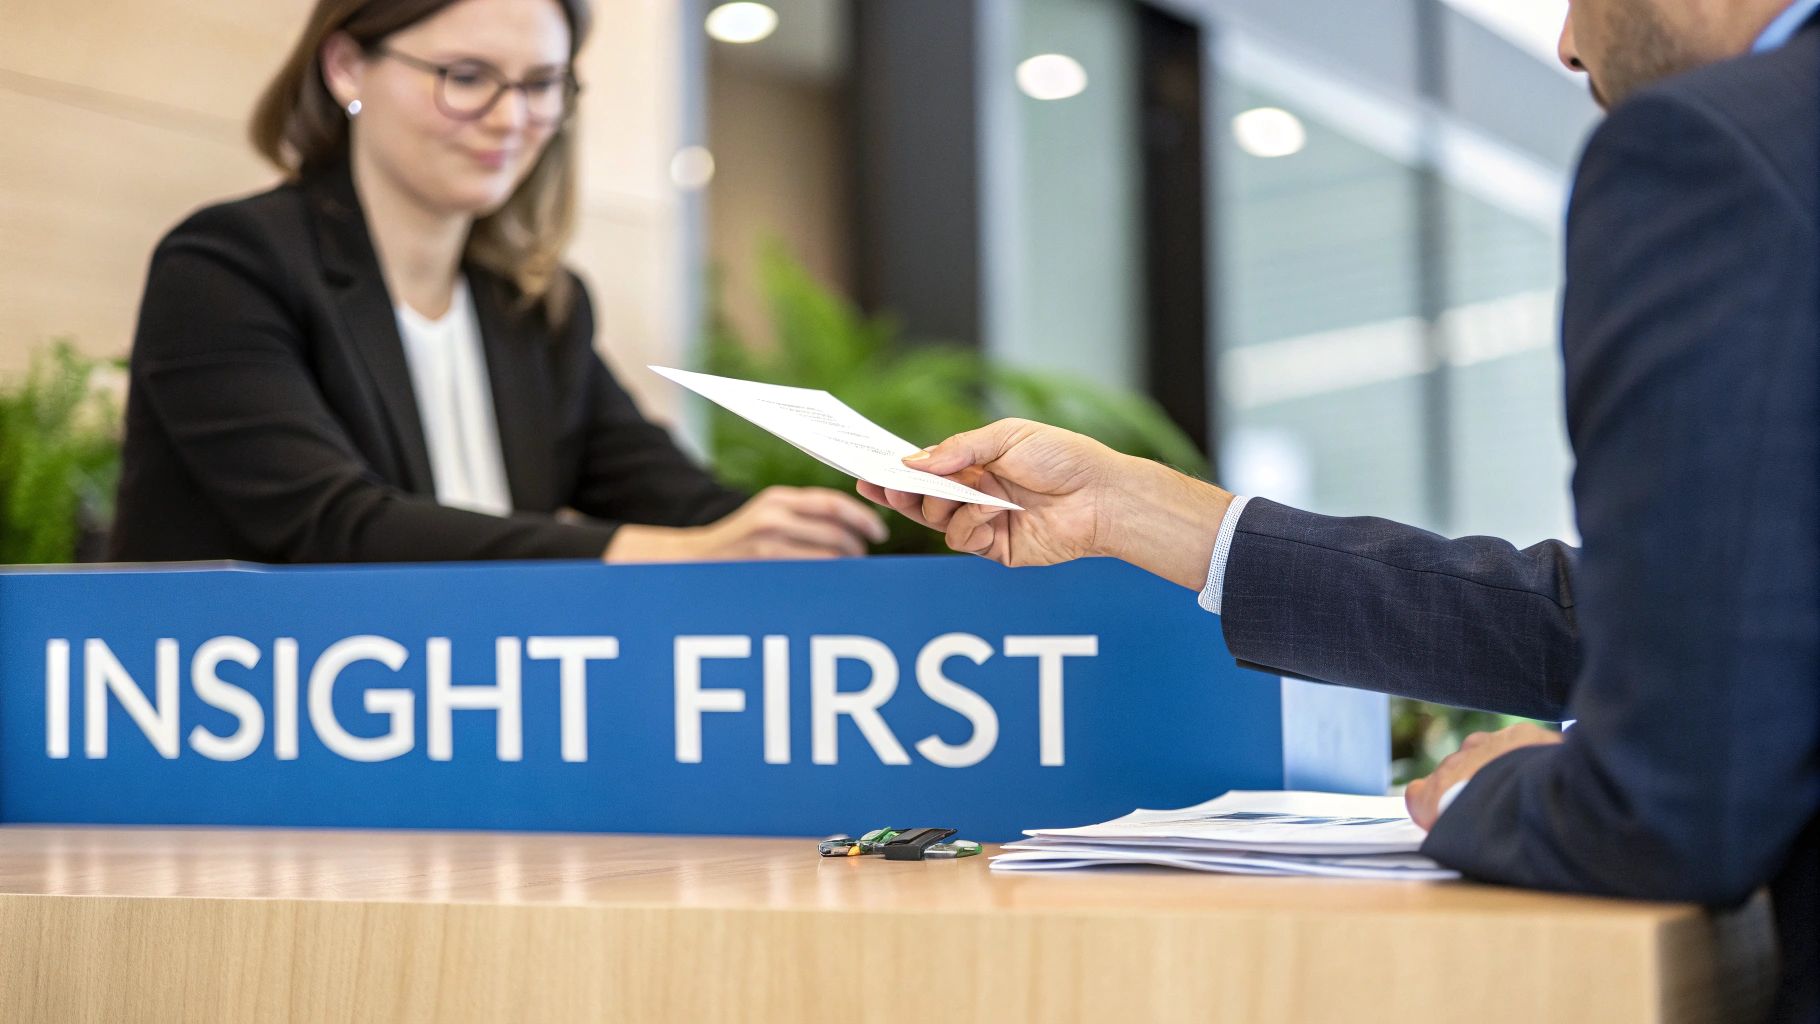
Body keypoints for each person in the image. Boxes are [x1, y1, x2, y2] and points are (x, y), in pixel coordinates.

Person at [863, 0, 1819, 1018]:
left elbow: (1668, 812)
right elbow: (1644, 615)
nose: (1566, 43)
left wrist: (1493, 786)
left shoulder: (1714, 145)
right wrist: (1137, 510)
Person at [109, 0, 884, 564]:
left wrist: (881, 507)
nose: (512, 118)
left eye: (543, 83)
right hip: (252, 726)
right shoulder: (226, 264)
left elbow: (683, 502)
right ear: (347, 65)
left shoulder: (535, 307)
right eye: (467, 75)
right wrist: (679, 553)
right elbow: (331, 526)